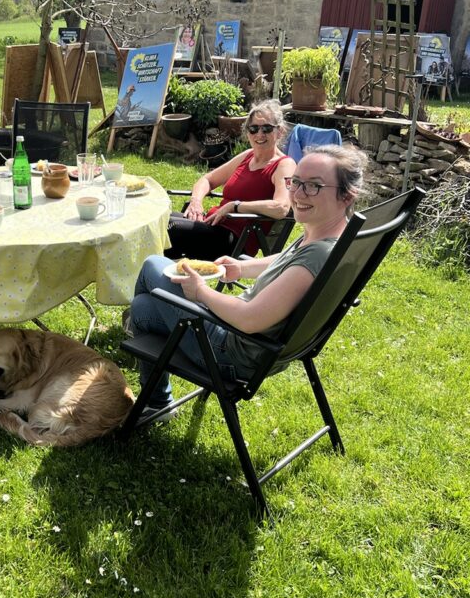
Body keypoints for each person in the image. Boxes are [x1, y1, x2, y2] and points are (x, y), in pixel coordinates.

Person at [129, 145, 368, 417]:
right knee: (142, 308)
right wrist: (241, 269)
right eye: (296, 182)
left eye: (314, 186)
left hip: (232, 353)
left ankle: (155, 402)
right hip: (252, 346)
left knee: (152, 265)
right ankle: (156, 403)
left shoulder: (318, 255)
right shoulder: (332, 236)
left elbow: (249, 319)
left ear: (347, 196)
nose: (298, 194)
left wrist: (201, 293)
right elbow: (288, 262)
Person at [166, 99, 295, 260]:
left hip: (235, 241)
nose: (259, 134)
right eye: (253, 128)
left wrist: (235, 206)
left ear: (280, 131)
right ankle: (163, 275)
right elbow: (207, 179)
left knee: (170, 228)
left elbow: (281, 207)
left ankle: (157, 275)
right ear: (247, 132)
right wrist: (196, 202)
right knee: (161, 219)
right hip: (213, 225)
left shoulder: (284, 165)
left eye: (267, 128)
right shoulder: (247, 156)